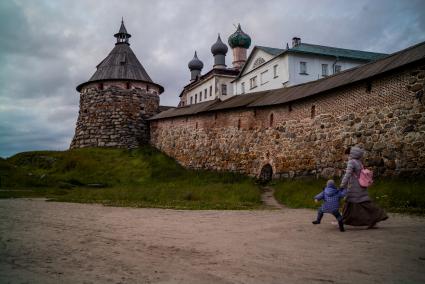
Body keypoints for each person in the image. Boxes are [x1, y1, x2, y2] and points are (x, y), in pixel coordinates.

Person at [340, 146, 388, 228]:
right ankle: (344, 220)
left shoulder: (351, 162)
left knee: (353, 203)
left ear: (350, 154)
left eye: (347, 154)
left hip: (354, 187)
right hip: (361, 186)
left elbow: (347, 175)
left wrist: (342, 185)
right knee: (359, 203)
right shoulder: (359, 162)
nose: (346, 156)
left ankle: (378, 216)